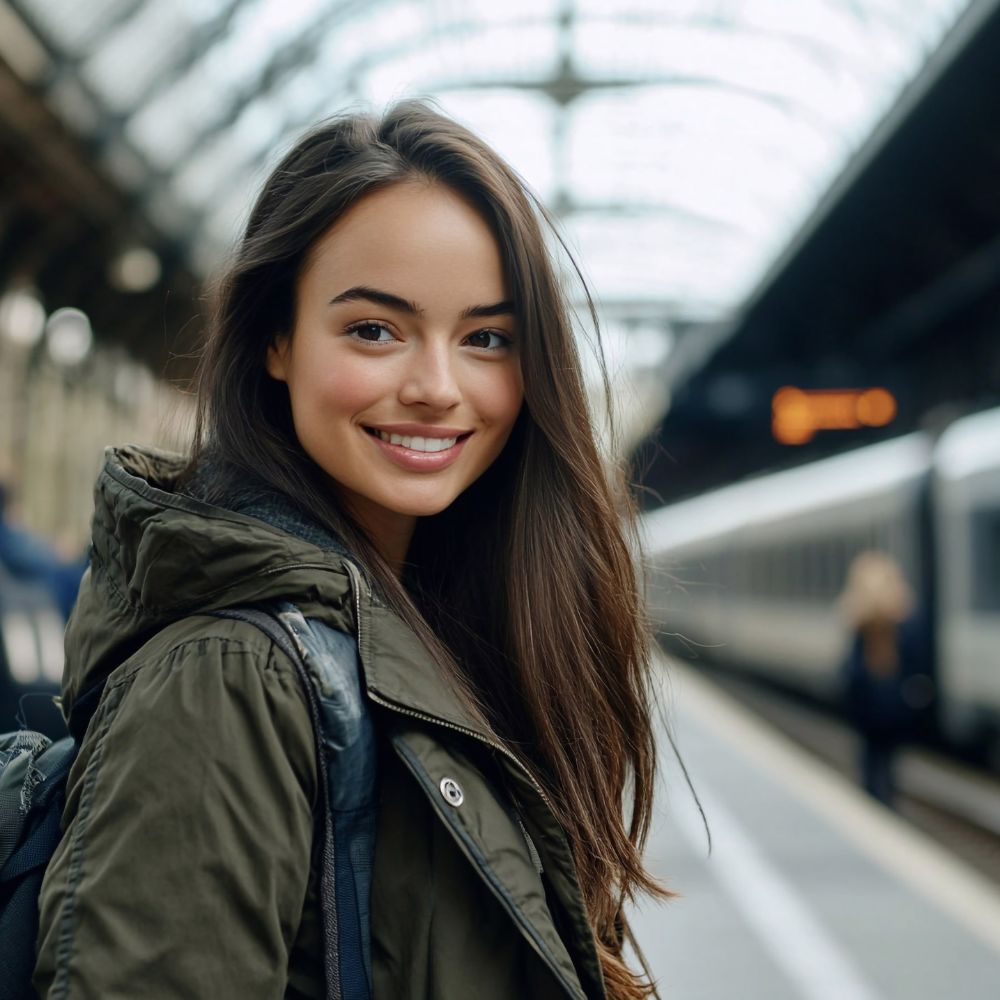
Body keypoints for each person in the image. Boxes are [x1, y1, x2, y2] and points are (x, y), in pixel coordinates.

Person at [34, 102, 667, 999]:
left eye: (487, 339)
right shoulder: (232, 676)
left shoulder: (445, 625)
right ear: (275, 340)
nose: (437, 388)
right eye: (375, 329)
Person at [839, 551, 933, 807]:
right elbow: (916, 663)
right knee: (888, 760)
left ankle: (874, 802)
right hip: (894, 704)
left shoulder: (859, 618)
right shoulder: (906, 616)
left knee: (871, 759)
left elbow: (851, 669)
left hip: (869, 706)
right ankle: (886, 801)